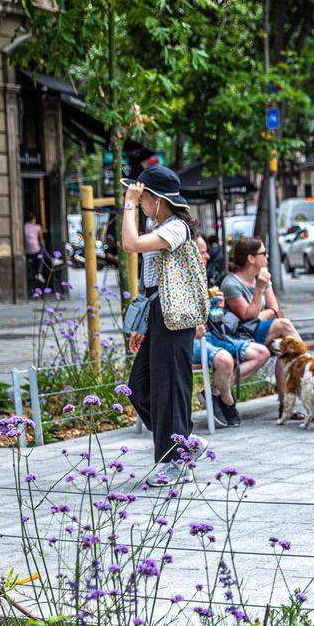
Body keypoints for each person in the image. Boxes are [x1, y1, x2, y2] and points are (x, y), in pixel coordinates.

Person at [121, 166, 204, 482]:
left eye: (143, 198)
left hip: (174, 316)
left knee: (169, 386)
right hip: (157, 313)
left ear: (157, 198)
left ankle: (176, 460)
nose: (140, 203)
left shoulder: (176, 228)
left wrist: (129, 203)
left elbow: (130, 244)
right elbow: (150, 283)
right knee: (139, 385)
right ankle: (184, 440)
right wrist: (142, 323)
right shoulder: (160, 225)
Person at [191, 236, 271, 427]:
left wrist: (217, 306)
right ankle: (227, 399)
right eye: (202, 252)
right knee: (225, 360)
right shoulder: (180, 280)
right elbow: (249, 315)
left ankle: (214, 392)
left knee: (262, 353)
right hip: (192, 337)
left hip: (213, 333)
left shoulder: (201, 276)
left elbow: (207, 314)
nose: (207, 256)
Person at [221, 237, 303, 419]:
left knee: (286, 352)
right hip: (243, 336)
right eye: (263, 253)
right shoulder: (231, 283)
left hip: (261, 330)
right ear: (251, 258)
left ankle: (286, 407)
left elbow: (274, 309)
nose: (267, 256)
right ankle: (311, 365)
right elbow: (246, 317)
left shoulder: (264, 278)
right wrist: (258, 290)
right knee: (285, 324)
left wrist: (256, 314)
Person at [24, 212, 44, 289]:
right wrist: (43, 245)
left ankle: (32, 288)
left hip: (28, 252)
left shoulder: (25, 226)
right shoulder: (37, 227)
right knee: (42, 253)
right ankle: (39, 273)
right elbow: (41, 240)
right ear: (33, 219)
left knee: (31, 269)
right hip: (36, 250)